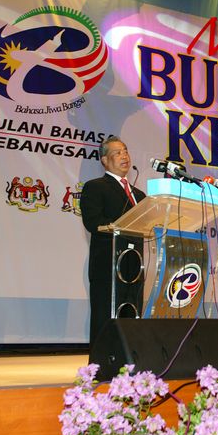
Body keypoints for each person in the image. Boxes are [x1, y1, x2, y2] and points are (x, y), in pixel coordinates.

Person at [81, 136, 146, 347]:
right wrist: (119, 226)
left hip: (134, 265)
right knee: (105, 317)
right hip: (107, 265)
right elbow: (93, 222)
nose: (124, 156)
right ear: (104, 160)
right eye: (117, 153)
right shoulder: (95, 187)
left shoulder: (139, 195)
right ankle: (102, 361)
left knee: (131, 316)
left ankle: (129, 357)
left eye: (125, 151)